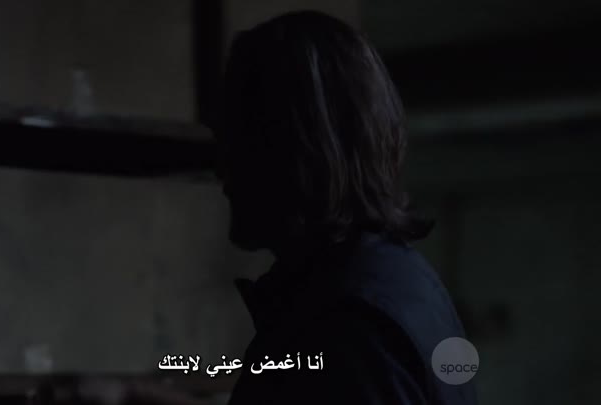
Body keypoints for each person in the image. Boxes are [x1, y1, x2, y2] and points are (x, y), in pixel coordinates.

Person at [131, 10, 477, 405]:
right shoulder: (388, 286)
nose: (221, 169)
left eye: (240, 141)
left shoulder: (348, 325)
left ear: (298, 151)